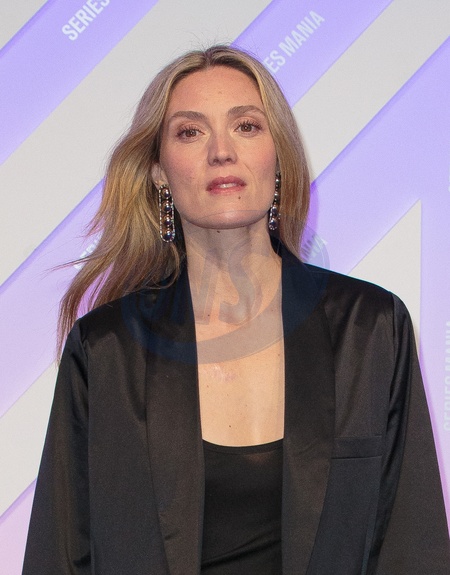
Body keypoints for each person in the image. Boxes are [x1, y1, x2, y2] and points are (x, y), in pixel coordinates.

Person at [22, 45, 449, 575]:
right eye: (190, 132)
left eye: (246, 126)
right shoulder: (106, 350)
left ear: (278, 156)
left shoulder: (371, 329)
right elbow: (60, 557)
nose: (221, 152)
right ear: (158, 172)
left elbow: (413, 547)